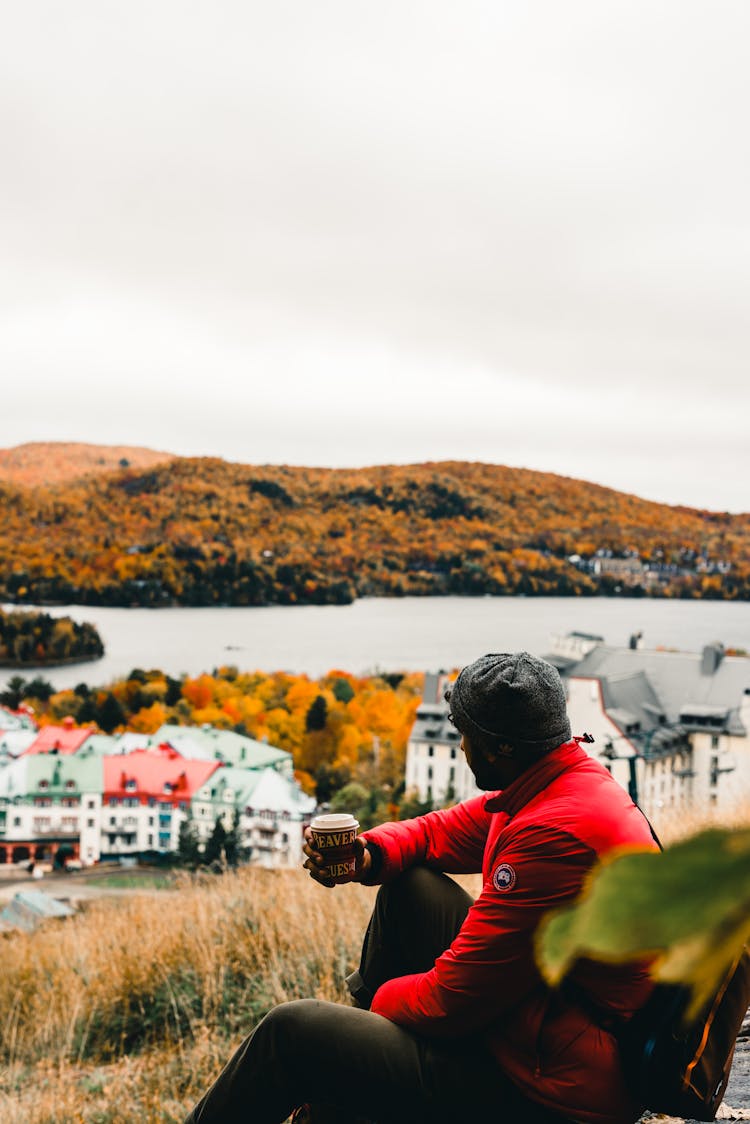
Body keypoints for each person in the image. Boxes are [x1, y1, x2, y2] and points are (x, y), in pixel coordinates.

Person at [184, 652, 657, 1124]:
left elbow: (449, 1001)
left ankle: (336, 1080)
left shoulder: (553, 836)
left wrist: (374, 1011)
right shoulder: (555, 785)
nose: (460, 745)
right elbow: (437, 834)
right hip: (548, 1025)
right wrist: (366, 856)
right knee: (407, 886)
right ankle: (343, 1087)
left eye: (465, 733)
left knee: (291, 1032)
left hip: (553, 1092)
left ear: (500, 748)